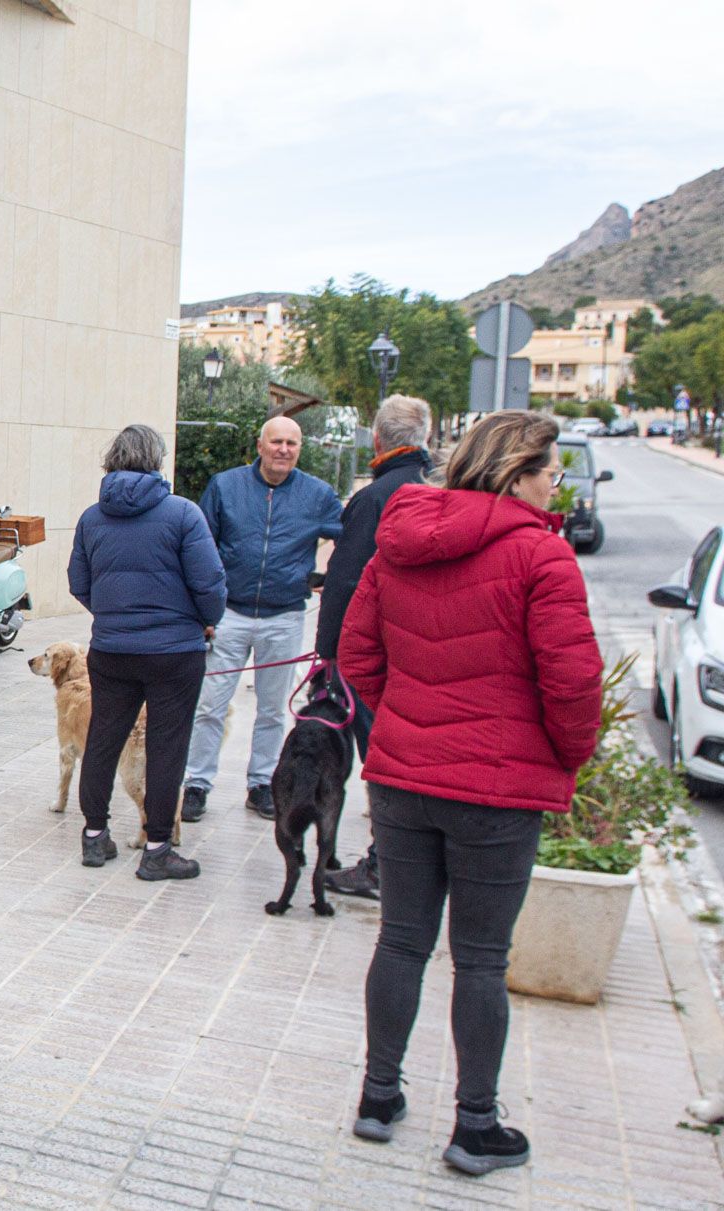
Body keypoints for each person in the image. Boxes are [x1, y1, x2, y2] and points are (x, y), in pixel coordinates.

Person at [339, 410, 601, 1176]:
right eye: (551, 471)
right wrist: (565, 760)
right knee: (481, 960)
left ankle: (378, 1095)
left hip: (404, 776)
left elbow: (358, 653)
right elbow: (574, 684)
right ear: (518, 471)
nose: (556, 485)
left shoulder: (400, 543)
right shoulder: (541, 557)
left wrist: (406, 719)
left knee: (401, 939)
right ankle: (475, 1124)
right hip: (498, 789)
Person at [68, 425, 227, 880]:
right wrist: (205, 619)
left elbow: (79, 583)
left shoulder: (92, 518)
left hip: (112, 650)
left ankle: (95, 836)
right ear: (157, 461)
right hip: (175, 653)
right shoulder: (183, 514)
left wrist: (114, 614)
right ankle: (157, 849)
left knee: (102, 741)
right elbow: (210, 583)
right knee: (166, 748)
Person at [181, 416, 343, 821]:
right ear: (260, 444)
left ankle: (262, 783)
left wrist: (328, 578)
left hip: (285, 616)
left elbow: (348, 538)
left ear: (299, 448)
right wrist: (203, 610)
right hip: (229, 614)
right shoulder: (225, 486)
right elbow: (200, 547)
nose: (283, 450)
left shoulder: (318, 495)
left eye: (292, 443)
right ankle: (196, 784)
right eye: (276, 442)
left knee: (273, 709)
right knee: (210, 705)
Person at [314, 395, 435, 900]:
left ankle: (384, 867)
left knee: (378, 757)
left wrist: (328, 651)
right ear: (424, 440)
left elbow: (346, 581)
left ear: (379, 440)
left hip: (370, 654)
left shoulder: (376, 497)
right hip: (415, 647)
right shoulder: (431, 491)